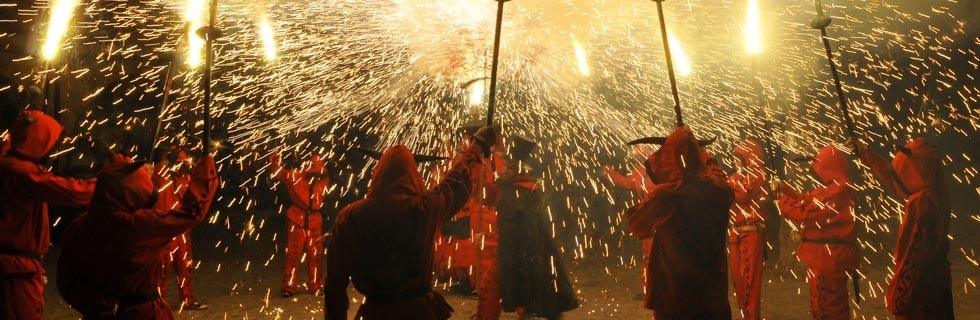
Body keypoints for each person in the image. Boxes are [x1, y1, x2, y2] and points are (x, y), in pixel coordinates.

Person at [323, 126, 494, 320]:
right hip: (420, 314)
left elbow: (334, 285)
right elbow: (456, 182)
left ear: (378, 172)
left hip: (376, 314)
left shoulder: (350, 216)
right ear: (413, 173)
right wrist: (478, 147)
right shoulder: (425, 209)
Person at [57, 153, 217, 319]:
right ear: (129, 190)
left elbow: (66, 280)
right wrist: (206, 172)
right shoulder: (139, 225)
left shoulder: (79, 225)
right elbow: (192, 213)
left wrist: (99, 306)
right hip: (143, 314)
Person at [627, 125, 733, 319]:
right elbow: (714, 171)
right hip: (712, 294)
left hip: (676, 296)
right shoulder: (719, 189)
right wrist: (695, 149)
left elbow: (637, 224)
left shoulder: (668, 195)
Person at [0, 110, 96, 320]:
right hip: (13, 274)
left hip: (17, 270)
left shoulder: (9, 163)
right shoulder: (21, 173)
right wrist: (114, 181)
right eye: (49, 142)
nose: (53, 150)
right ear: (36, 143)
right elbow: (74, 192)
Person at [854, 138, 953, 319]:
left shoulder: (921, 203)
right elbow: (897, 181)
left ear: (915, 170)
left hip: (920, 292)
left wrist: (900, 296)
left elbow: (914, 255)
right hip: (938, 285)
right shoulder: (934, 189)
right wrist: (866, 154)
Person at [497, 135, 578, 320]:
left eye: (508, 168)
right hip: (515, 246)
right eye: (504, 166)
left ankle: (535, 311)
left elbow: (527, 222)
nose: (503, 170)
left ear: (516, 170)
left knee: (534, 279)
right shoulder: (508, 187)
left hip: (529, 247)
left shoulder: (525, 190)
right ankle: (526, 309)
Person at [775, 144, 859, 320]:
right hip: (823, 258)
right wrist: (784, 188)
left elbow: (804, 213)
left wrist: (780, 200)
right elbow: (805, 200)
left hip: (829, 260)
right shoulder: (830, 190)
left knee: (830, 309)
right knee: (821, 307)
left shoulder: (839, 191)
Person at [152, 147, 208, 310]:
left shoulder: (186, 179)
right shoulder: (161, 176)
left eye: (183, 164)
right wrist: (165, 158)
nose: (182, 167)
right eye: (179, 164)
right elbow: (155, 170)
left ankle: (187, 299)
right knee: (162, 268)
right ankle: (158, 301)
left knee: (185, 266)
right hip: (164, 229)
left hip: (182, 230)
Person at [270, 152, 331, 297]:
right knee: (294, 255)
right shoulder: (295, 177)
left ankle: (315, 286)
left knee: (315, 256)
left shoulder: (323, 178)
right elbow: (278, 172)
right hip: (297, 219)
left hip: (314, 220)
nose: (316, 176)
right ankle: (288, 287)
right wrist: (275, 158)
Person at [728, 139, 769, 320]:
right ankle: (745, 315)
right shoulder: (736, 178)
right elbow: (727, 191)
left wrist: (729, 187)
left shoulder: (759, 176)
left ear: (749, 158)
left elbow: (743, 194)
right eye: (735, 157)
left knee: (750, 280)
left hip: (752, 233)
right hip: (736, 233)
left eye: (739, 157)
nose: (735, 161)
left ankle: (752, 317)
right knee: (738, 280)